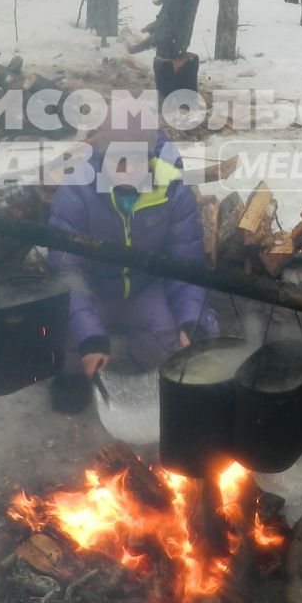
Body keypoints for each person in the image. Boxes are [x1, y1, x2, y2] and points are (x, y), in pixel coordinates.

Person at [45, 125, 219, 413]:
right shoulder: (77, 189)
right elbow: (67, 271)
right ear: (102, 157)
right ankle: (73, 374)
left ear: (149, 158)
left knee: (179, 342)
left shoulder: (172, 190)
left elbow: (186, 264)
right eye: (118, 160)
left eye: (137, 160)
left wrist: (191, 321)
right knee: (65, 329)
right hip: (93, 287)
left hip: (145, 287)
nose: (127, 170)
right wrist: (91, 338)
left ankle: (143, 354)